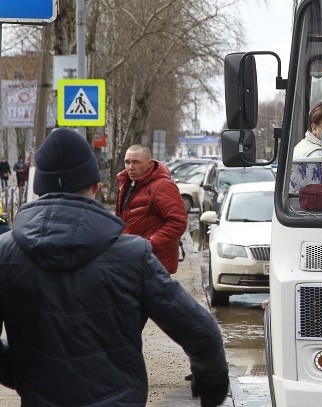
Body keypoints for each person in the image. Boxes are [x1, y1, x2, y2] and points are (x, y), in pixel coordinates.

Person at [0, 128, 229, 406]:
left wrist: (21, 372)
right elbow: (201, 332)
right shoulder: (132, 256)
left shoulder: (5, 252)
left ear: (39, 188)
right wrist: (212, 382)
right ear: (95, 187)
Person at [116, 144, 187, 275]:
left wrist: (148, 244)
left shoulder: (163, 186)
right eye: (127, 162)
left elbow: (178, 222)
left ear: (149, 164)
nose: (130, 167)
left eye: (136, 162)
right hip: (132, 259)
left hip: (153, 264)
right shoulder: (127, 183)